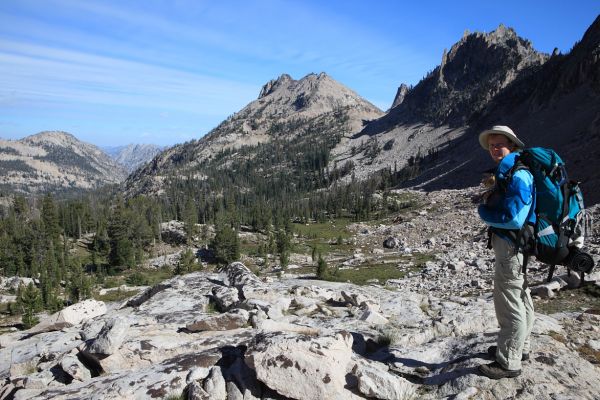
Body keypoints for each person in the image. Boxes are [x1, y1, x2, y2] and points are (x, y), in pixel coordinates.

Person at [476, 125, 535, 379]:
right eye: (491, 145)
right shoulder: (511, 170)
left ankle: (508, 361)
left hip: (511, 245)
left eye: (499, 144)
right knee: (521, 295)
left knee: (509, 298)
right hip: (517, 244)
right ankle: (520, 348)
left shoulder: (518, 174)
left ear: (511, 145)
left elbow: (514, 218)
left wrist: (484, 213)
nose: (494, 149)